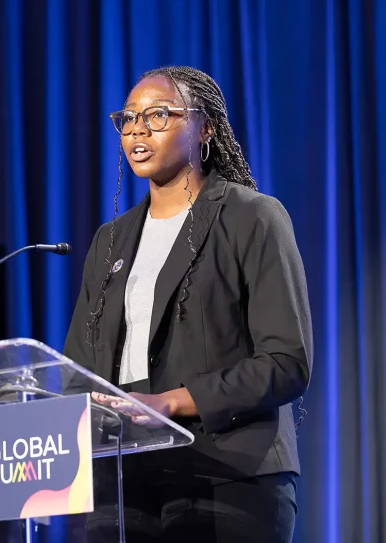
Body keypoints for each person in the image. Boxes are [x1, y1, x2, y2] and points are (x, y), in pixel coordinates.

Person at [63, 65, 312, 543]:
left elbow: (286, 362)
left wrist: (170, 402)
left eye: (157, 115)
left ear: (205, 129)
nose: (137, 128)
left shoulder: (251, 217)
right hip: (123, 481)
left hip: (227, 474)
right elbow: (78, 368)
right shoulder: (110, 242)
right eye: (129, 118)